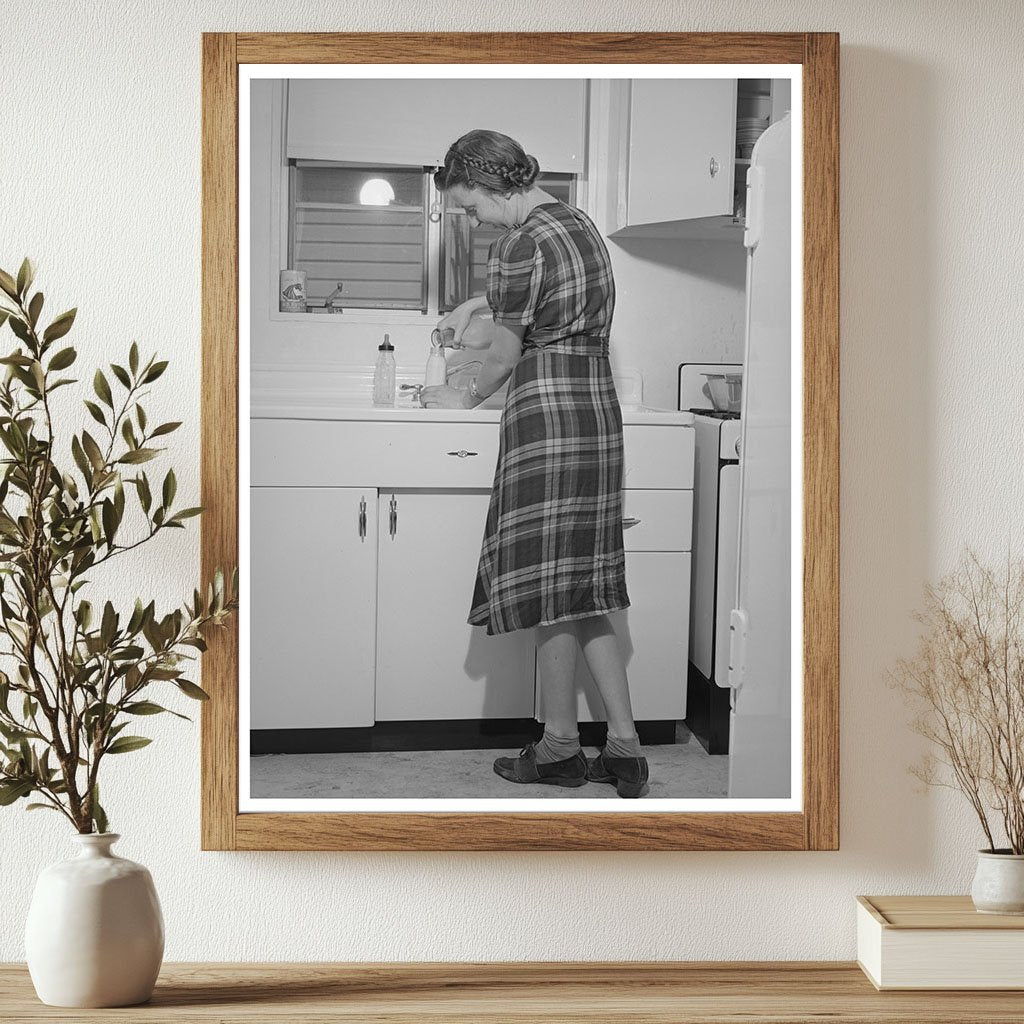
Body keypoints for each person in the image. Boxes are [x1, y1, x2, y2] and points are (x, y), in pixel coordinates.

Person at [420, 129, 649, 799]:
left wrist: (459, 398)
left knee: (552, 591)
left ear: (492, 183)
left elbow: (501, 355)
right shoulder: (580, 225)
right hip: (596, 412)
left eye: (469, 205)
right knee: (586, 586)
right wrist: (477, 309)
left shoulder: (517, 243)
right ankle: (627, 749)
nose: (472, 218)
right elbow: (547, 309)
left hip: (547, 413)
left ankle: (558, 749)